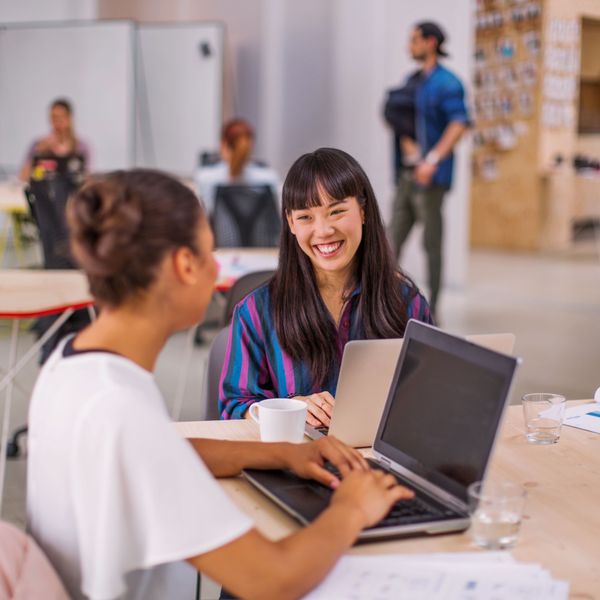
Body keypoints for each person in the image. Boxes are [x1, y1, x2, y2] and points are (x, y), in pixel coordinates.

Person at [26, 169, 413, 600]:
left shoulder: (73, 367)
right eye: (212, 254)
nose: (218, 271)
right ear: (184, 265)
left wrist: (287, 453)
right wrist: (353, 507)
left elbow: (164, 451)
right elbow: (273, 579)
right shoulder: (120, 412)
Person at [219, 148, 433, 426]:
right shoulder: (256, 312)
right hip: (296, 460)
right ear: (291, 223)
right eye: (306, 217)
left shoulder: (407, 304)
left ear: (363, 211)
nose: (323, 231)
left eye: (337, 212)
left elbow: (430, 398)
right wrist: (285, 409)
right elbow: (233, 406)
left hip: (379, 461)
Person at [386, 21, 470, 319]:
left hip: (431, 179)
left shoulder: (448, 83)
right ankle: (384, 304)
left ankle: (433, 309)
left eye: (414, 40)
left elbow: (459, 124)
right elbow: (399, 117)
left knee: (431, 244)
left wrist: (432, 160)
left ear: (431, 42)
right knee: (390, 240)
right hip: (406, 175)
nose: (409, 46)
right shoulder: (412, 80)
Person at [195, 118, 280, 215]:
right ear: (250, 147)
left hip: (219, 230)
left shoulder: (205, 178)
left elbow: (207, 217)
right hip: (261, 231)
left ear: (223, 144)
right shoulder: (269, 178)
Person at [19, 98, 90, 182]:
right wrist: (39, 153)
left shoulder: (81, 147)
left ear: (69, 119)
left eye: (61, 118)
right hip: (44, 191)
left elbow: (86, 179)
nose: (57, 122)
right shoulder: (38, 144)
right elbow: (23, 177)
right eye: (53, 118)